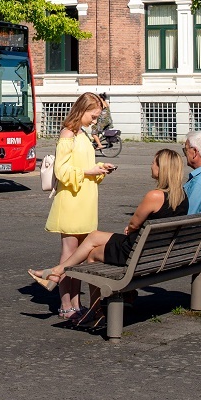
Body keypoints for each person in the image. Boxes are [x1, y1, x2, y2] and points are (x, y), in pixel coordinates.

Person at [29, 148, 188, 302]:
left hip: (137, 252)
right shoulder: (182, 196)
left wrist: (131, 228)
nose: (151, 166)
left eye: (154, 163)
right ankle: (57, 272)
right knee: (94, 236)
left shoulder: (155, 195)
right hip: (158, 251)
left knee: (93, 254)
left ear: (162, 169)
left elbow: (133, 224)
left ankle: (95, 310)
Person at [42, 92, 114, 322]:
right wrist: (89, 171)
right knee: (69, 254)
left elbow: (83, 164)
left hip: (84, 199)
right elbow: (61, 171)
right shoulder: (68, 133)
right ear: (82, 111)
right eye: (93, 116)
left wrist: (100, 167)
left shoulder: (82, 134)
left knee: (79, 258)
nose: (94, 121)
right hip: (72, 201)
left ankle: (76, 302)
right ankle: (66, 304)